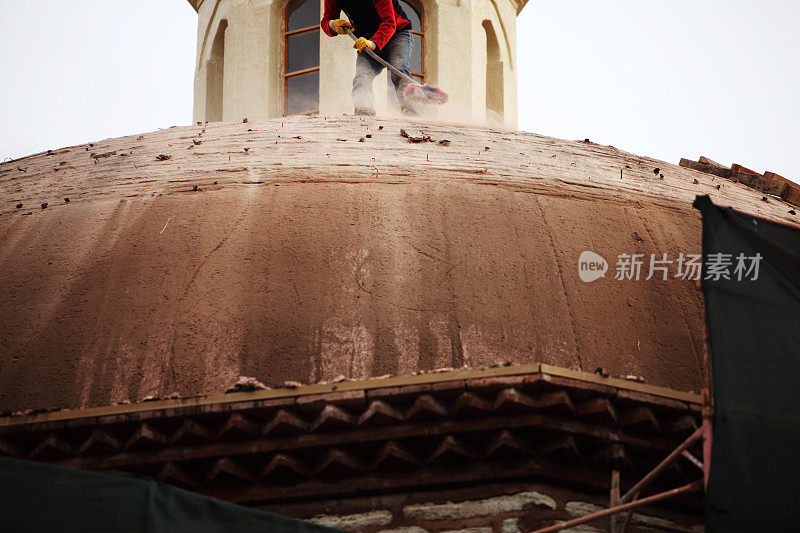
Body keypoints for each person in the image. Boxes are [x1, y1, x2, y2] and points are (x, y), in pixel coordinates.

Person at [321, 0, 419, 116]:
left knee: (399, 70)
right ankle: (364, 114)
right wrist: (332, 24)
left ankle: (412, 113)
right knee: (362, 76)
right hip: (367, 38)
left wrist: (373, 44)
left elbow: (389, 23)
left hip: (397, 34)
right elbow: (327, 20)